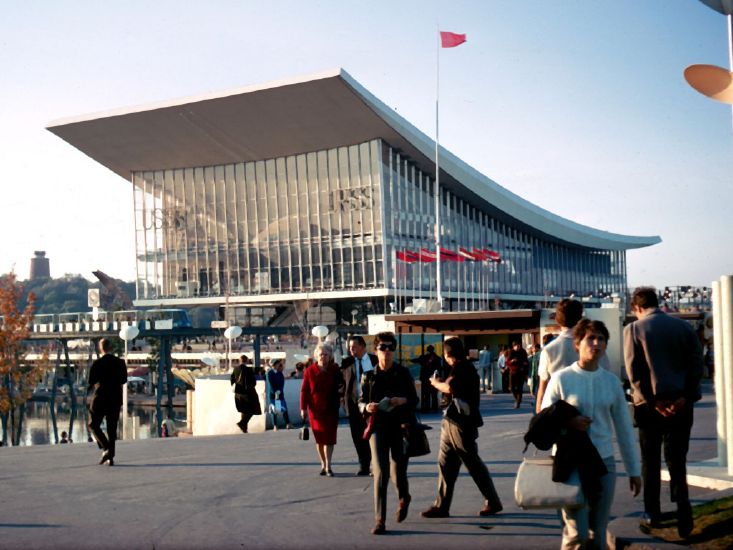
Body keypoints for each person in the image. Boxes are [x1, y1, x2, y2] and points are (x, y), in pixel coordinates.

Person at [542, 319, 641, 550]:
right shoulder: (561, 378)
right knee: (576, 536)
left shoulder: (611, 382)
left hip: (604, 464)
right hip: (570, 465)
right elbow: (543, 422)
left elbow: (625, 430)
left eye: (601, 339)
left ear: (606, 345)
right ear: (577, 344)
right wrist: (569, 422)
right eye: (590, 338)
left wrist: (634, 470)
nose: (596, 344)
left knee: (598, 537)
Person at [624, 287, 704, 538]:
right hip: (681, 405)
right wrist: (684, 397)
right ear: (656, 303)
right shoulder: (683, 328)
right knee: (677, 460)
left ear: (636, 308)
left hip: (649, 408)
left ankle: (652, 512)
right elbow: (696, 365)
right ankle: (683, 510)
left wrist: (653, 402)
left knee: (650, 460)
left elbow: (635, 373)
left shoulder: (634, 330)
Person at [421, 337, 503, 519]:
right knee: (445, 464)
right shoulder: (461, 368)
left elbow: (450, 389)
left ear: (447, 353)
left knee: (472, 463)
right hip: (451, 421)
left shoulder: (462, 367)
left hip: (461, 423)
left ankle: (493, 500)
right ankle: (441, 505)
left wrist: (435, 384)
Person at [359, 331, 418, 535]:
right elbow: (360, 401)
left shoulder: (403, 373)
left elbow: (414, 400)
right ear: (376, 350)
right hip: (377, 428)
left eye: (391, 347)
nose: (387, 351)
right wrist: (367, 407)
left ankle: (404, 498)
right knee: (381, 473)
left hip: (400, 427)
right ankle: (380, 520)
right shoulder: (368, 376)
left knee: (398, 472)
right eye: (383, 347)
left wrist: (401, 400)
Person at [536, 299, 610, 414]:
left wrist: (539, 416)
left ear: (557, 319)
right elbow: (606, 374)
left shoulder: (548, 350)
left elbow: (543, 388)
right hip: (594, 409)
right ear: (580, 317)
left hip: (561, 414)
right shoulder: (594, 346)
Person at [300, 343, 342, 477]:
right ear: (316, 356)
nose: (323, 357)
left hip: (331, 408)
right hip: (315, 410)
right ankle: (323, 464)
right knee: (319, 439)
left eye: (326, 354)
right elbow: (304, 391)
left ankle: (328, 465)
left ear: (330, 356)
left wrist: (341, 397)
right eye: (321, 354)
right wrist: (303, 408)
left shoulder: (335, 369)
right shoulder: (309, 371)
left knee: (330, 438)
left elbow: (341, 385)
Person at [87, 338, 127, 466]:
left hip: (101, 397)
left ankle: (106, 448)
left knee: (93, 424)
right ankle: (110, 456)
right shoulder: (120, 362)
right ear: (112, 347)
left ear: (101, 348)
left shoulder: (98, 363)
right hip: (115, 398)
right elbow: (123, 380)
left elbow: (91, 380)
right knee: (111, 428)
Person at [340, 335, 376, 476]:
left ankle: (375, 463)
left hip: (372, 404)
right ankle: (364, 465)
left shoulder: (375, 360)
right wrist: (342, 398)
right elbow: (341, 382)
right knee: (358, 436)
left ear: (362, 346)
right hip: (353, 405)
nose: (351, 350)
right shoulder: (346, 362)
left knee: (373, 434)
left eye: (354, 347)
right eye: (349, 347)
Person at [230, 355, 262, 433]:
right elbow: (253, 382)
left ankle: (244, 428)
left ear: (240, 361)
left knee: (243, 410)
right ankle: (242, 423)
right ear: (246, 361)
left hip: (238, 394)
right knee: (252, 409)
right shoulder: (249, 370)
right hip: (248, 393)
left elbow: (232, 380)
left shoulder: (235, 369)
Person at [410, 345, 441, 412]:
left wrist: (409, 360)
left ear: (427, 350)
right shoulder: (437, 358)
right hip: (434, 379)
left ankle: (426, 409)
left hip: (425, 379)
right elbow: (439, 368)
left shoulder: (424, 357)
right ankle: (434, 409)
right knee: (434, 395)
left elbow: (416, 360)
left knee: (426, 394)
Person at [266, 358, 292, 431]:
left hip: (280, 394)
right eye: (277, 363)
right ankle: (275, 425)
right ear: (274, 364)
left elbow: (282, 382)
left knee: (284, 409)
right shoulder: (269, 373)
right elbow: (270, 385)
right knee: (274, 410)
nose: (279, 364)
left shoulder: (279, 373)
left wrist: (279, 391)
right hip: (272, 395)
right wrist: (275, 392)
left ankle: (288, 424)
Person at [506, 341, 529, 408]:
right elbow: (507, 362)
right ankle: (517, 399)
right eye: (516, 346)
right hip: (513, 372)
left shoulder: (523, 351)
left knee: (520, 388)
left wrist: (524, 366)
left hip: (521, 372)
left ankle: (518, 402)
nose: (517, 347)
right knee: (512, 388)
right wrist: (512, 361)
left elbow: (526, 362)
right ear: (513, 347)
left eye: (518, 345)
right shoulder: (511, 352)